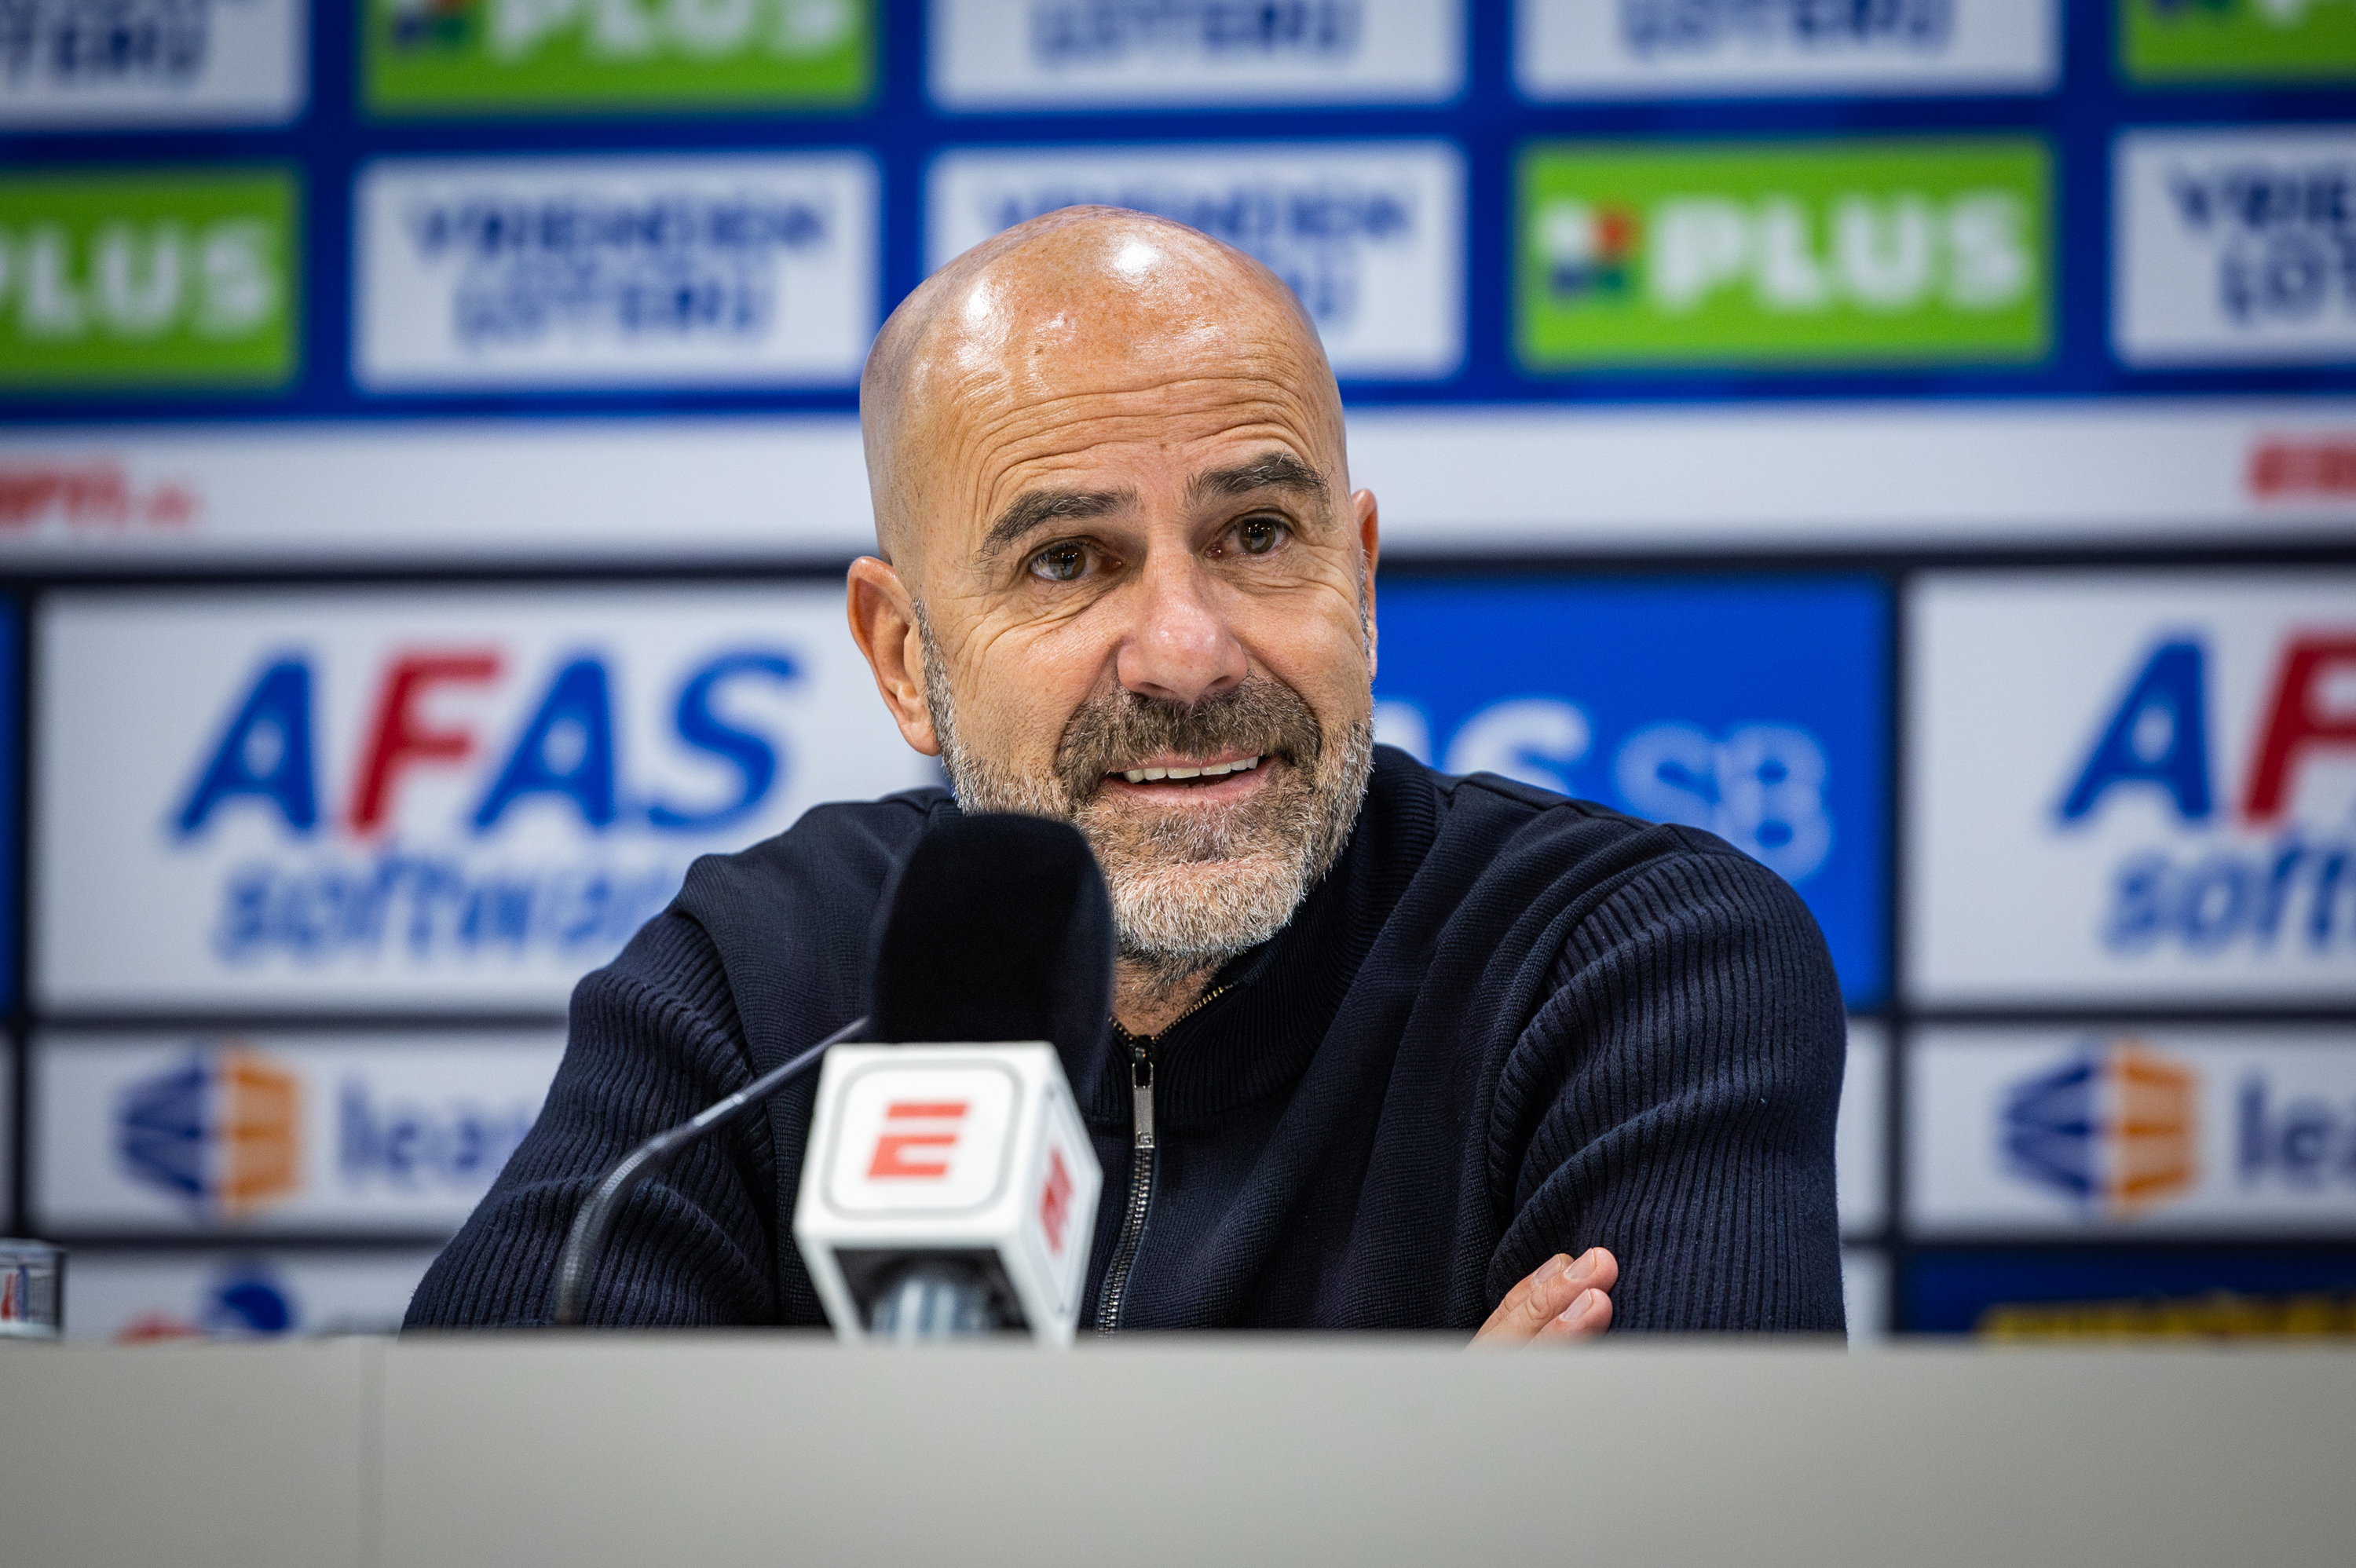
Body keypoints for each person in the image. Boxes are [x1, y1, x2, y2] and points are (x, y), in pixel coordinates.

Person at [407, 208, 1846, 1343]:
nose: (1184, 651)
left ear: (1360, 573)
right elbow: (474, 1501)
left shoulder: (1630, 958)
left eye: (1259, 535)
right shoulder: (760, 974)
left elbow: (1689, 1521)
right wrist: (1425, 1490)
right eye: (1066, 560)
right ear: (906, 656)